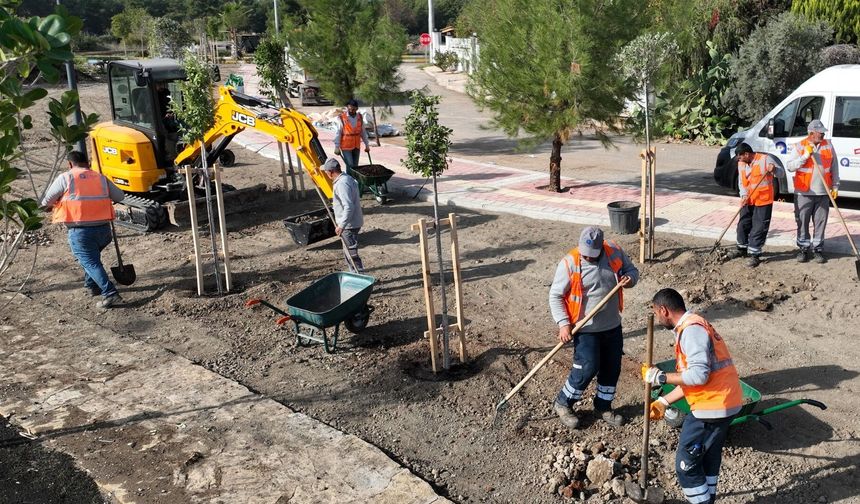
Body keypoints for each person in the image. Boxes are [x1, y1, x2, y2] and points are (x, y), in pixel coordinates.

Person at [643, 288, 743, 504]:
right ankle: (707, 499)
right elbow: (693, 380)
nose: (658, 319)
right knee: (708, 458)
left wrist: (660, 378)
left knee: (686, 465)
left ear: (663, 310)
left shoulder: (691, 332)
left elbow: (698, 376)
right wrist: (663, 401)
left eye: (656, 313)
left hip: (711, 408)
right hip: (722, 401)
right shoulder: (694, 325)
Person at [549, 226, 639, 429]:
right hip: (585, 328)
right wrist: (564, 324)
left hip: (612, 326)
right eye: (585, 255)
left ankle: (603, 405)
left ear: (601, 249)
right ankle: (564, 402)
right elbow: (555, 295)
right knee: (587, 367)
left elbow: (632, 270)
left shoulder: (614, 251)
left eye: (592, 256)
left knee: (611, 367)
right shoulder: (570, 263)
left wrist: (630, 279)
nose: (587, 258)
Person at [41, 151, 126, 309]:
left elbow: (47, 200)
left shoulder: (66, 177)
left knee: (91, 262)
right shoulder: (100, 178)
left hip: (80, 231)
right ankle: (91, 286)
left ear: (70, 164)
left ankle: (110, 293)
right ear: (87, 163)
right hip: (104, 231)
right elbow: (119, 196)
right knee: (91, 259)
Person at [786, 119, 839, 263]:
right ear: (811, 133)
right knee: (802, 221)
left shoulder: (828, 144)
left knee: (820, 222)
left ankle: (818, 249)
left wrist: (835, 185)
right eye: (820, 132)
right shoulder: (800, 146)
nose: (822, 135)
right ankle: (803, 249)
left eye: (823, 132)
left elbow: (834, 166)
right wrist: (805, 156)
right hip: (804, 192)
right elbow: (790, 166)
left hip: (823, 192)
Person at [725, 143, 782, 268]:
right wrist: (743, 195)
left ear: (746, 154)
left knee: (759, 227)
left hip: (763, 200)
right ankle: (741, 248)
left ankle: (754, 254)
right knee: (743, 224)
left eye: (740, 157)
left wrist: (775, 170)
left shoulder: (765, 159)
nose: (738, 160)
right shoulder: (741, 164)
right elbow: (741, 181)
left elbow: (781, 174)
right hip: (748, 199)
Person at [321, 158, 364, 272]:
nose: (325, 174)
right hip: (352, 222)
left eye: (326, 171)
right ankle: (356, 274)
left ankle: (360, 278)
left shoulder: (342, 184)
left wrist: (341, 225)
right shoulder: (347, 178)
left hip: (349, 225)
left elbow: (349, 206)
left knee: (351, 255)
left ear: (330, 171)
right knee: (349, 253)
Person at [333, 98, 370, 171]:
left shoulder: (360, 117)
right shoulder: (342, 118)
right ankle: (349, 181)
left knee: (355, 166)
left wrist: (367, 145)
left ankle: (354, 181)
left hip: (356, 146)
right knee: (350, 165)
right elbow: (338, 132)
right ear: (347, 107)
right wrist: (337, 147)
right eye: (349, 109)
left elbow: (363, 132)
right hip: (346, 146)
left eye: (353, 109)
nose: (351, 111)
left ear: (357, 108)